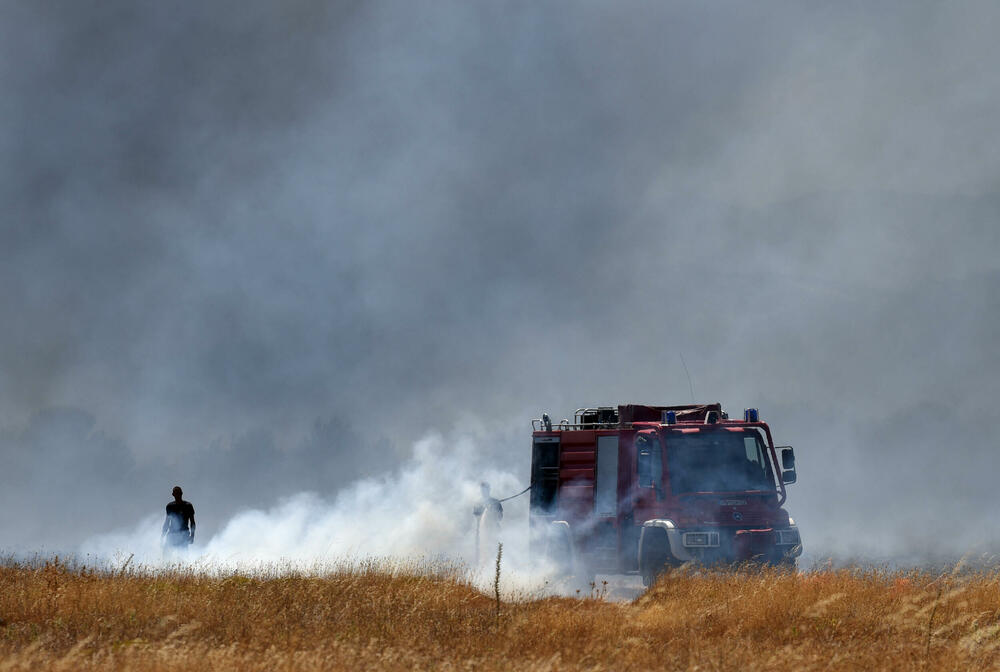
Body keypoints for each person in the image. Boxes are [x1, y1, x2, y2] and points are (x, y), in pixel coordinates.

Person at [473, 482, 503, 566]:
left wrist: (492, 510)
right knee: (480, 553)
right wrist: (485, 509)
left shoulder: (496, 502)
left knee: (495, 552)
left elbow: (500, 517)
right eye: (482, 490)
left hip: (494, 531)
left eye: (485, 490)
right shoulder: (477, 503)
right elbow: (477, 517)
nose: (484, 492)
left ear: (489, 490)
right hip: (482, 533)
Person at [161, 486, 196, 554]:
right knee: (166, 553)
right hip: (172, 534)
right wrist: (162, 535)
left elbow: (192, 522)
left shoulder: (188, 506)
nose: (177, 495)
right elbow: (167, 522)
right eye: (176, 493)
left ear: (181, 493)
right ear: (173, 494)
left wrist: (192, 536)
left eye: (179, 493)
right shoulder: (170, 506)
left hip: (184, 534)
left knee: (183, 555)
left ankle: (183, 564)